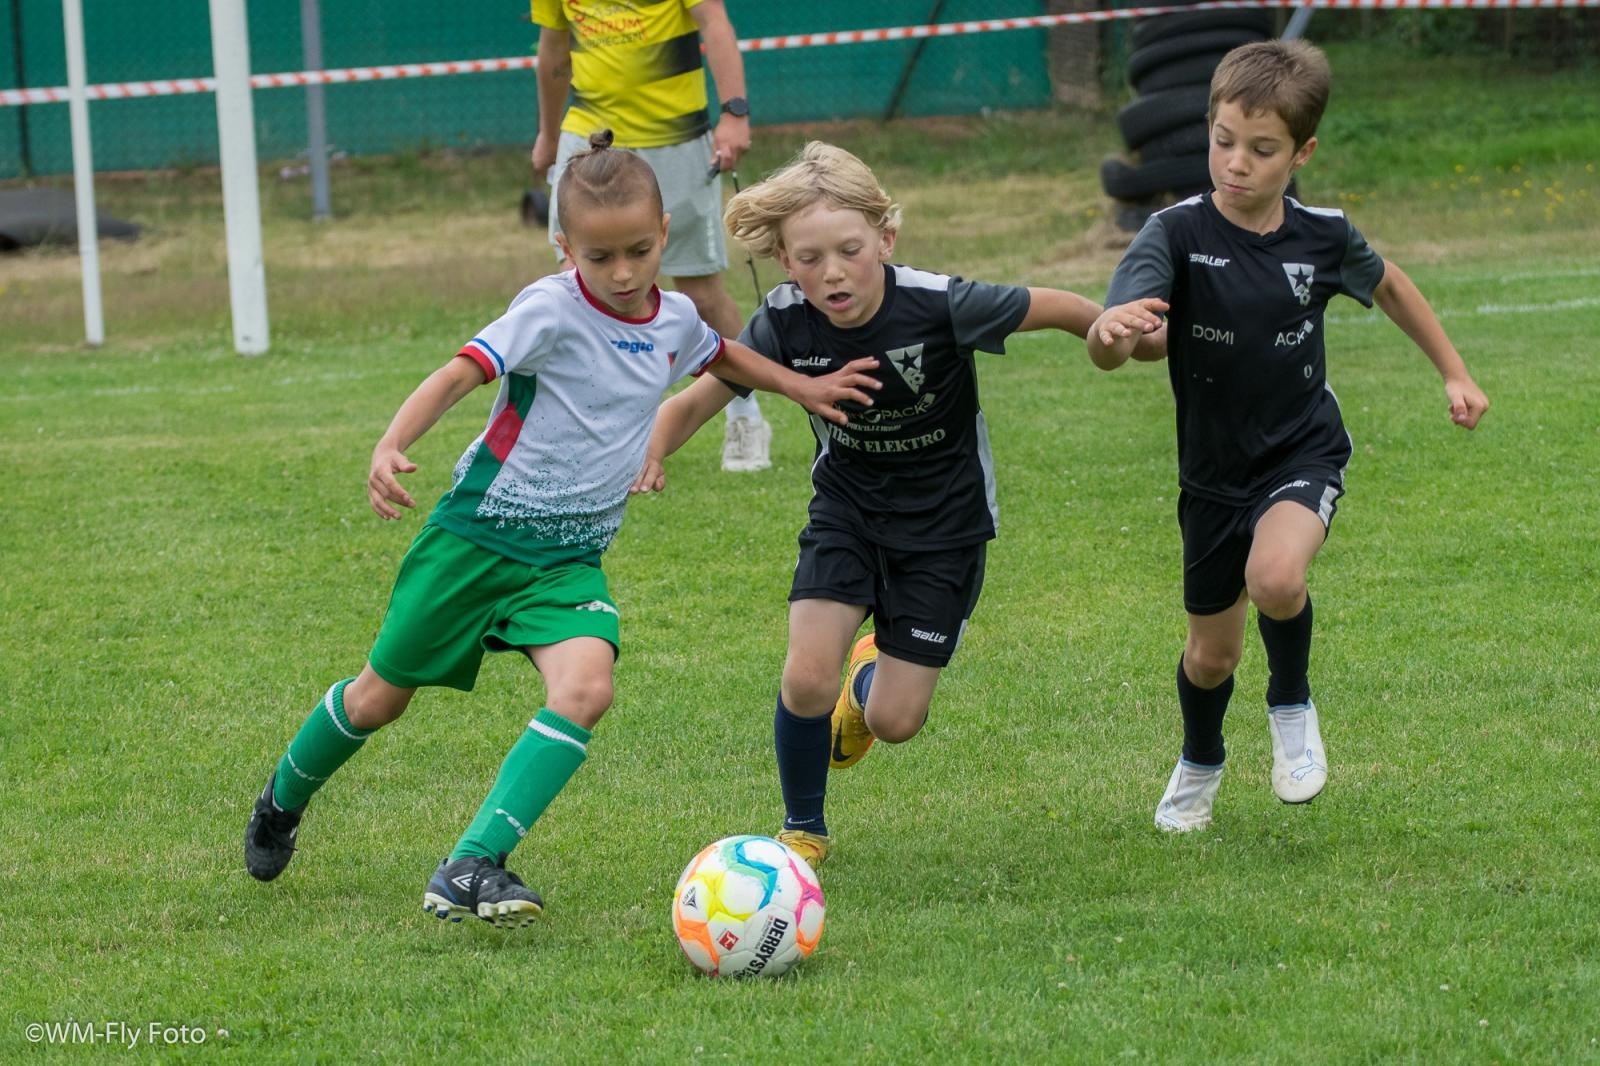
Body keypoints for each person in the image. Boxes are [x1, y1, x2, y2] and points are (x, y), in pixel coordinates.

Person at [243, 132, 878, 925]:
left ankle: (472, 863)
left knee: (586, 687)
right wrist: (392, 441)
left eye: (640, 251)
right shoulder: (549, 307)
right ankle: (282, 800)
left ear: (665, 234)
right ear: (563, 245)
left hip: (568, 559)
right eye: (599, 256)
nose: (621, 273)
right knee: (378, 700)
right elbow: (460, 372)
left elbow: (724, 356)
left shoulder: (674, 316)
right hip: (478, 540)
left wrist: (803, 389)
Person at [632, 142, 1166, 869]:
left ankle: (868, 681)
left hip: (945, 529)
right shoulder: (785, 322)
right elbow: (700, 395)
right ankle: (802, 830)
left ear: (886, 239)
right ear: (785, 260)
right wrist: (653, 447)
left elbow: (1062, 309)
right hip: (846, 513)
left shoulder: (940, 303)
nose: (833, 272)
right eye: (810, 257)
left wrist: (1109, 331)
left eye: (850, 250)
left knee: (894, 719)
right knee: (803, 674)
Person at [1086, 40, 1489, 833]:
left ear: (1301, 152)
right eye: (1223, 140)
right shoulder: (1171, 234)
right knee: (1212, 657)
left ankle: (1292, 705)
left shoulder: (1323, 236)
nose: (1236, 163)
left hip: (1302, 449)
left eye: (1261, 149)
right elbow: (1120, 343)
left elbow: (1394, 287)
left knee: (1276, 577)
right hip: (1211, 475)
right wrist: (1112, 331)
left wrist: (1454, 372)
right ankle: (1201, 762)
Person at [530, 0, 773, 473]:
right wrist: (546, 132)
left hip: (676, 135)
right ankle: (590, 428)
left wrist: (734, 113)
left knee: (700, 291)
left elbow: (715, 24)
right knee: (576, 280)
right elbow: (555, 50)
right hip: (588, 130)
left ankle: (743, 408)